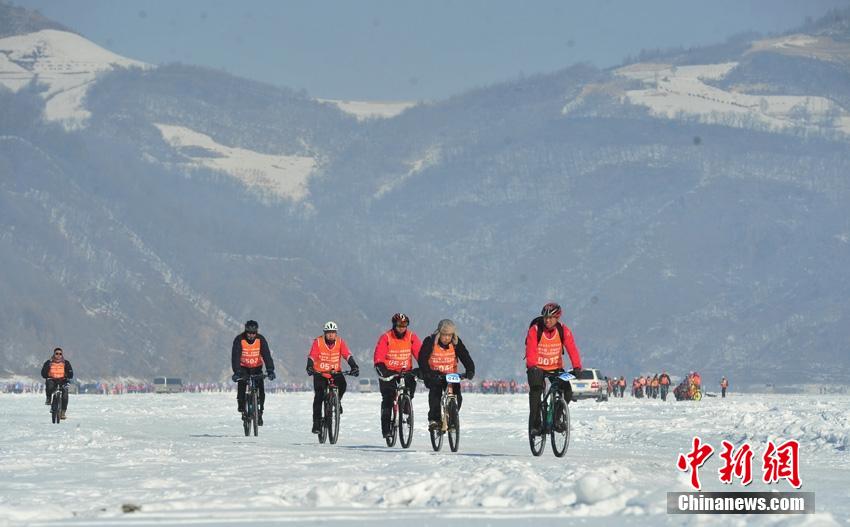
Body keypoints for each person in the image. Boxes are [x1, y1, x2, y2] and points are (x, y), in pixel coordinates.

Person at [525, 302, 582, 435]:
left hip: (556, 368)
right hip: (537, 368)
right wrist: (532, 366)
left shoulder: (563, 330)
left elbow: (572, 349)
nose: (547, 320)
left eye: (551, 318)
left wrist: (577, 367)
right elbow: (530, 350)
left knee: (567, 390)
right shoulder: (535, 330)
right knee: (535, 392)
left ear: (557, 318)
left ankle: (556, 418)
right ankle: (535, 424)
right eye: (545, 318)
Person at [418, 319, 475, 431]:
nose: (447, 338)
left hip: (451, 375)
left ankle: (452, 419)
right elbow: (422, 359)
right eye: (444, 335)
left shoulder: (456, 343)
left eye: (450, 335)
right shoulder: (430, 341)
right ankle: (434, 420)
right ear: (439, 333)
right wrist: (427, 373)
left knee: (457, 396)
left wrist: (470, 370)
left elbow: (465, 356)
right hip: (434, 375)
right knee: (435, 393)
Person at [373, 313, 422, 439]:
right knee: (388, 399)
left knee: (409, 393)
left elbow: (420, 354)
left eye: (404, 325)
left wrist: (423, 367)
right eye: (399, 325)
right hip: (389, 372)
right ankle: (386, 428)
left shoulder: (411, 337)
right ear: (394, 325)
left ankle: (405, 409)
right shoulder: (386, 337)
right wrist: (381, 367)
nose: (402, 328)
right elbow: (379, 355)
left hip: (406, 372)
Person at [306, 321, 360, 434]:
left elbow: (347, 355)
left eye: (333, 333)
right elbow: (312, 355)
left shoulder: (340, 342)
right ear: (324, 333)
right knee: (319, 397)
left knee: (343, 385)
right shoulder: (318, 342)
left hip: (335, 373)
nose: (331, 335)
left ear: (336, 334)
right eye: (328, 332)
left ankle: (337, 401)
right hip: (320, 373)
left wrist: (354, 366)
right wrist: (310, 366)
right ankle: (316, 424)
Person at [231, 320, 275, 426]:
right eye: (249, 333)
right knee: (242, 384)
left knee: (261, 390)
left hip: (257, 368)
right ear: (246, 332)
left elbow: (267, 355)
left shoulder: (261, 340)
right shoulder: (239, 339)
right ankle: (242, 406)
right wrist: (237, 372)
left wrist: (270, 370)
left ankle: (260, 412)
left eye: (254, 333)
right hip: (243, 368)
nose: (251, 335)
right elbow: (235, 357)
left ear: (256, 332)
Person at [41, 347, 74, 419]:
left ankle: (63, 412)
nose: (58, 355)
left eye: (60, 354)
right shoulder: (49, 362)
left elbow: (71, 373)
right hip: (52, 380)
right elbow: (43, 372)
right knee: (49, 386)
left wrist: (68, 376)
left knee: (65, 395)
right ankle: (49, 398)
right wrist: (47, 375)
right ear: (54, 354)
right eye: (57, 354)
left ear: (62, 355)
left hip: (63, 380)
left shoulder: (66, 363)